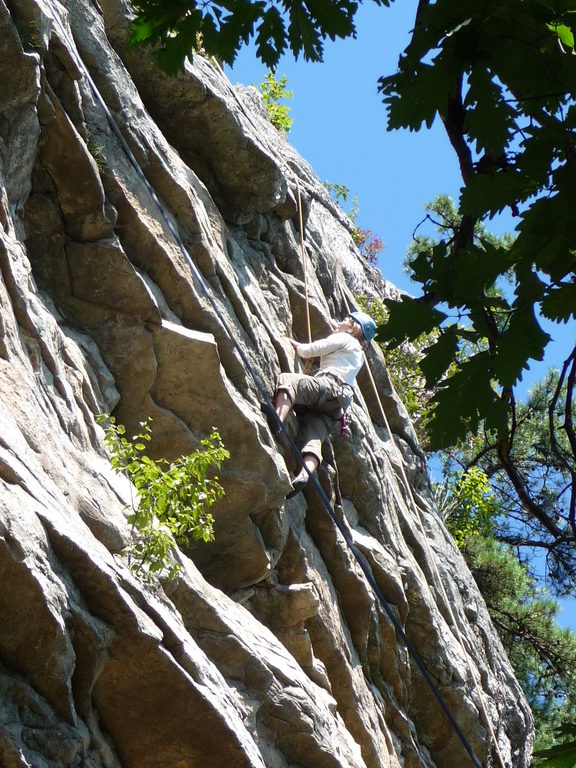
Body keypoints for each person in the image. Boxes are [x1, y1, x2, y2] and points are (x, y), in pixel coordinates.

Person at [271, 311, 377, 497]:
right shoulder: (358, 354)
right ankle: (304, 474)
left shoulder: (346, 339)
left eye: (346, 320)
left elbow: (313, 349)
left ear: (354, 328)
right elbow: (336, 331)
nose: (340, 322)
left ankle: (277, 419)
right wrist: (337, 327)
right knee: (314, 436)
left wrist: (298, 346)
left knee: (289, 380)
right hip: (337, 407)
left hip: (328, 386)